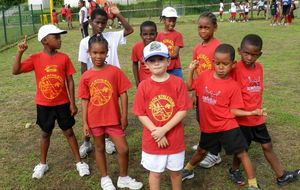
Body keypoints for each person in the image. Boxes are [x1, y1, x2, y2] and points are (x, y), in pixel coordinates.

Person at [182, 43, 265, 190]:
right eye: (218, 63)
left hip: (227, 126)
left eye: (225, 64)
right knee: (201, 150)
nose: (221, 67)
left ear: (233, 64)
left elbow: (233, 111)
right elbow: (189, 87)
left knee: (242, 153)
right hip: (209, 127)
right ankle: (188, 170)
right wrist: (191, 71)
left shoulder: (233, 86)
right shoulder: (205, 76)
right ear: (213, 62)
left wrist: (251, 113)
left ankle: (253, 184)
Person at [12, 24, 90, 179]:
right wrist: (19, 53)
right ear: (45, 40)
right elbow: (16, 70)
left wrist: (72, 103)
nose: (60, 40)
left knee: (69, 132)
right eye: (56, 37)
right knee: (45, 133)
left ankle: (79, 162)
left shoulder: (64, 58)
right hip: (44, 105)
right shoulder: (36, 58)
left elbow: (69, 81)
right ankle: (42, 164)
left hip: (62, 104)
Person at [230, 34, 300, 186]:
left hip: (257, 117)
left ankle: (282, 176)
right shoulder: (235, 68)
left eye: (254, 55)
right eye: (246, 53)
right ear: (239, 51)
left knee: (267, 145)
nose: (249, 57)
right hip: (242, 118)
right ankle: (234, 170)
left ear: (259, 55)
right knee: (242, 149)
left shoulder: (259, 68)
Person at [78, 34, 143, 190]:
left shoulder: (115, 72)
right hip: (95, 120)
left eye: (102, 52)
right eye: (94, 53)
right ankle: (104, 178)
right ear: (89, 52)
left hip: (114, 119)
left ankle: (123, 177)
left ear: (107, 52)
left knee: (123, 148)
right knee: (99, 148)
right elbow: (85, 100)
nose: (98, 56)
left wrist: (124, 115)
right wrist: (85, 122)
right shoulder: (86, 76)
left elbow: (123, 93)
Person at [133, 41, 192, 190]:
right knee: (155, 173)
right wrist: (157, 132)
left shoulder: (178, 83)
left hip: (174, 138)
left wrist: (163, 130)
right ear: (145, 64)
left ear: (168, 61)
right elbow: (141, 113)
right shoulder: (143, 86)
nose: (157, 64)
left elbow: (183, 110)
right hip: (153, 139)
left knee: (176, 172)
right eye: (152, 61)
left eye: (160, 59)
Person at [78, 7, 134, 158]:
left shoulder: (112, 36)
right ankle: (87, 141)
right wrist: (86, 86)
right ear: (91, 22)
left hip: (112, 81)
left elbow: (129, 30)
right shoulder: (84, 42)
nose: (101, 26)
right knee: (92, 112)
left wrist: (117, 14)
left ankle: (108, 138)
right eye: (98, 22)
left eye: (104, 23)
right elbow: (83, 65)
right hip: (94, 84)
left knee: (109, 112)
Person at [191, 12, 222, 169]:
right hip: (200, 92)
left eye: (206, 27)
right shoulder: (197, 48)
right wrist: (195, 93)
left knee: (213, 123)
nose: (203, 31)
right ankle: (205, 144)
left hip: (213, 94)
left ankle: (214, 154)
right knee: (201, 120)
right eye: (200, 27)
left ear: (214, 28)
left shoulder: (218, 47)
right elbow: (196, 71)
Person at [156, 7, 184, 78]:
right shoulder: (158, 36)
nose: (172, 23)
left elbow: (175, 54)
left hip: (175, 69)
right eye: (169, 21)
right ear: (163, 20)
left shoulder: (178, 35)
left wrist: (160, 56)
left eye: (174, 21)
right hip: (163, 68)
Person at [131, 21, 157, 87]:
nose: (148, 37)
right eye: (145, 34)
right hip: (144, 82)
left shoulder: (160, 47)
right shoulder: (136, 47)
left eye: (151, 34)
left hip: (158, 80)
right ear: (141, 35)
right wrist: (137, 82)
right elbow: (135, 64)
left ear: (156, 34)